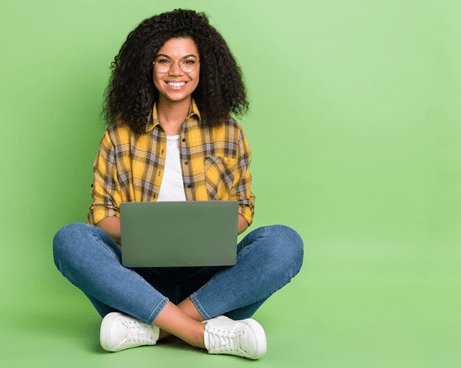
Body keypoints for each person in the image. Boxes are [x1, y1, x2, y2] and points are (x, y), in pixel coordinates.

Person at [52, 9, 303, 360]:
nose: (176, 72)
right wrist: (147, 237)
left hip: (211, 284)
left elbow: (244, 209)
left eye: (188, 61)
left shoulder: (228, 132)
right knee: (70, 240)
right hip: (136, 282)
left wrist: (203, 236)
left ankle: (149, 327)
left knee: (284, 243)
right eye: (163, 61)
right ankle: (201, 334)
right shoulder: (119, 134)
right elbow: (100, 214)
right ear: (147, 67)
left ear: (204, 68)